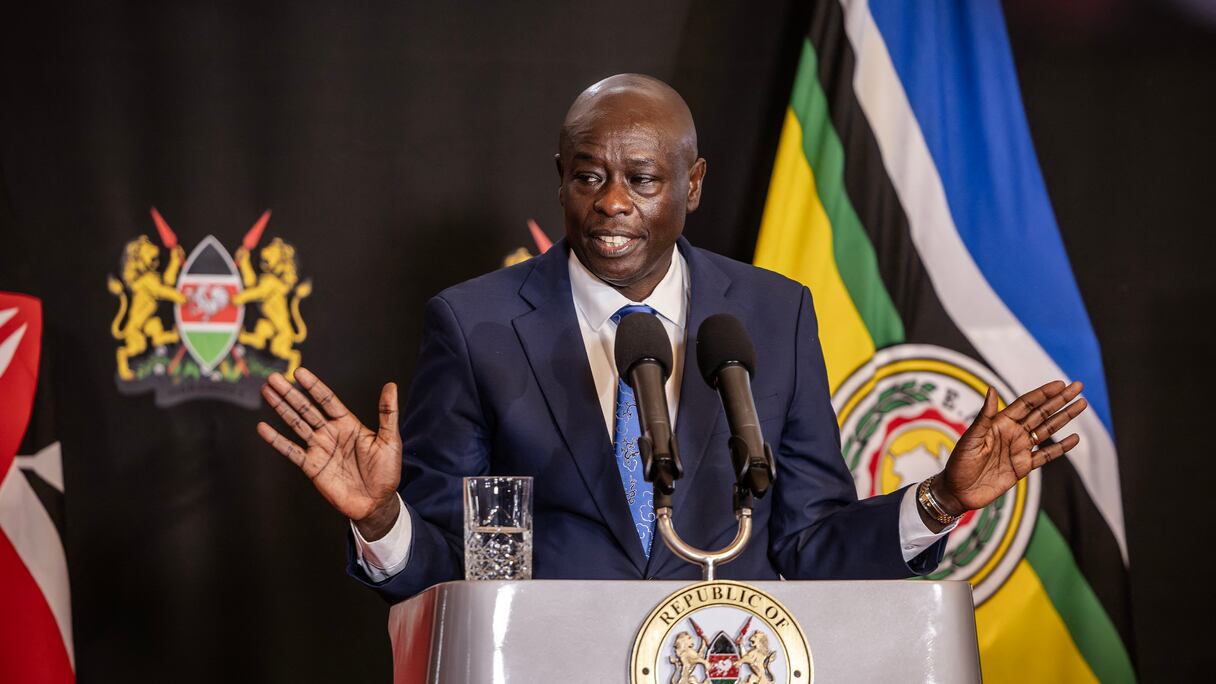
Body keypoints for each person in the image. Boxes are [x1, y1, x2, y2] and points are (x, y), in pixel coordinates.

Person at [255, 74, 1088, 602]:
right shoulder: (475, 326)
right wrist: (382, 518)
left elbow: (807, 543)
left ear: (691, 185)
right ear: (560, 179)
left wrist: (942, 498)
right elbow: (452, 571)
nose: (612, 202)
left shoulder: (775, 315)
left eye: (642, 179)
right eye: (589, 175)